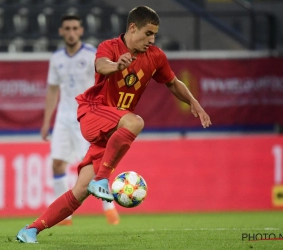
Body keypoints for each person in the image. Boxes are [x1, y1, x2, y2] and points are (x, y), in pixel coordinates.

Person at [16, 6, 212, 243]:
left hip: (112, 129)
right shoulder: (110, 47)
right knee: (135, 121)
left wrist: (194, 102)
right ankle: (102, 179)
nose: (152, 39)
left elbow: (173, 82)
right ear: (132, 28)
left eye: (154, 35)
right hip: (94, 112)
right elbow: (101, 65)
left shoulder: (156, 56)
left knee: (79, 191)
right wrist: (118, 66)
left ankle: (30, 230)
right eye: (148, 33)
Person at [40, 14, 119, 226]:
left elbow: (106, 84)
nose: (71, 32)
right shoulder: (56, 58)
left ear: (81, 30)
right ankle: (65, 216)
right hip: (65, 118)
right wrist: (47, 122)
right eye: (67, 28)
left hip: (88, 116)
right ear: (61, 31)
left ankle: (109, 209)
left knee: (96, 164)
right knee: (57, 164)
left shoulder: (93, 55)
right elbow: (52, 90)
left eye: (75, 28)